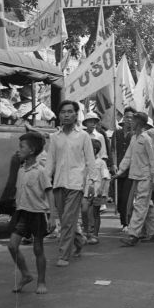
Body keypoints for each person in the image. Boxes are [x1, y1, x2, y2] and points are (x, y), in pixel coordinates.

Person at [44, 100, 96, 267]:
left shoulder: (83, 136)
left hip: (76, 184)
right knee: (66, 219)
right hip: (59, 183)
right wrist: (44, 181)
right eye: (63, 112)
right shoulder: (54, 137)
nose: (66, 115)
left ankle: (64, 255)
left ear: (75, 115)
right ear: (59, 115)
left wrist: (92, 183)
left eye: (69, 112)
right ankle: (79, 240)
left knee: (67, 220)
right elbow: (50, 162)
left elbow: (90, 161)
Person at [7, 131, 56, 294]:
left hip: (37, 213)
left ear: (32, 150)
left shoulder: (41, 171)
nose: (18, 150)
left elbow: (49, 192)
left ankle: (41, 282)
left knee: (38, 249)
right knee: (12, 246)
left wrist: (52, 217)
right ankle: (26, 275)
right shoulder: (21, 170)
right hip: (22, 212)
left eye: (22, 147)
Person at [114, 112, 154, 247]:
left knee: (140, 205)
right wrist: (120, 172)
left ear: (139, 123)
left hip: (146, 177)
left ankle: (133, 234)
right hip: (136, 176)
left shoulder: (146, 139)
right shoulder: (134, 138)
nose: (130, 123)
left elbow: (153, 160)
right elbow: (128, 157)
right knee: (147, 204)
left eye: (133, 121)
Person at [81, 138, 111, 245]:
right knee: (84, 211)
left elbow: (105, 177)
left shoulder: (101, 162)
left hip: (97, 192)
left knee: (95, 213)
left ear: (93, 150)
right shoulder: (85, 162)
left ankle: (94, 235)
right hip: (86, 191)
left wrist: (101, 190)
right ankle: (86, 232)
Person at [112, 107, 135, 231]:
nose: (129, 120)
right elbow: (113, 150)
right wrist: (113, 164)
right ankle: (123, 220)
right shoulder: (117, 133)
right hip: (118, 170)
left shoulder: (135, 135)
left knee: (127, 197)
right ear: (123, 118)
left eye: (131, 117)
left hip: (131, 171)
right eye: (127, 117)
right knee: (119, 197)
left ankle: (127, 222)